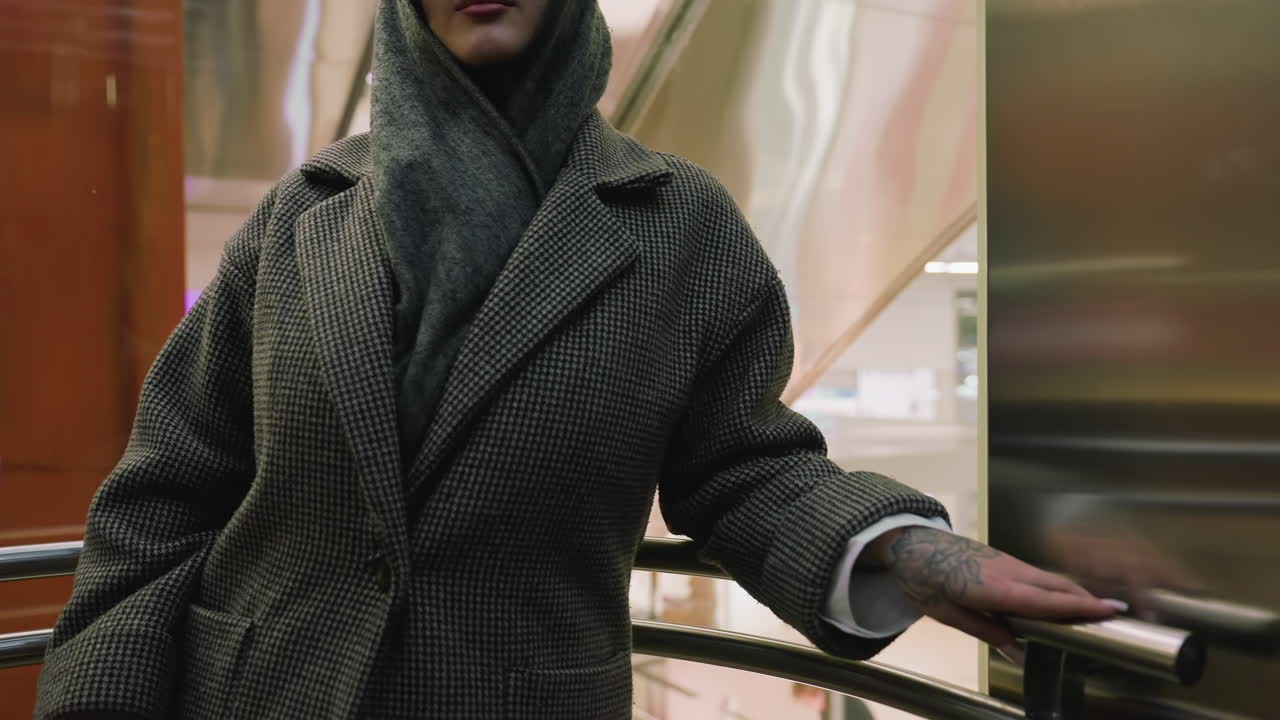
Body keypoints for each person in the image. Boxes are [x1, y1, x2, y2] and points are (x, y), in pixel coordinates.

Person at [34, 1, 1118, 718]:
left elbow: (743, 470)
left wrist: (900, 554)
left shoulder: (675, 224)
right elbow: (169, 494)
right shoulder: (301, 219)